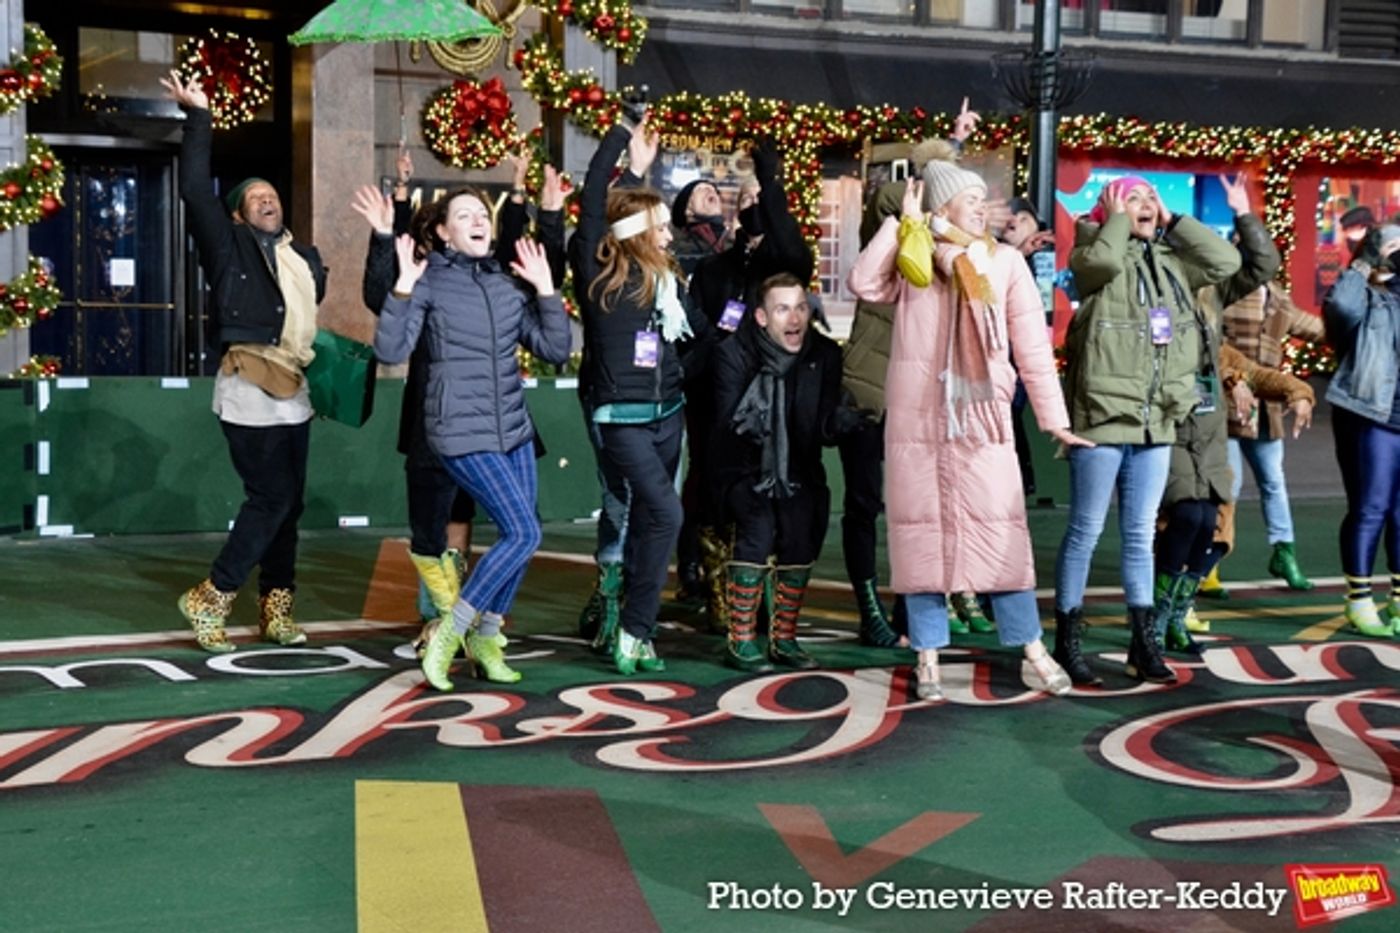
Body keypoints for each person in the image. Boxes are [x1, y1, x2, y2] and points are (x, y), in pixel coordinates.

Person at [848, 147, 1086, 701]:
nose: (984, 209)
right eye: (972, 199)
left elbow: (1031, 348)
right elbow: (863, 282)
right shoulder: (913, 256)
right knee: (921, 544)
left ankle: (1030, 646)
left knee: (1002, 535)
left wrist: (1054, 420)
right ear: (945, 204)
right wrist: (901, 221)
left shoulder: (1003, 261)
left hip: (981, 421)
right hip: (919, 423)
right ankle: (927, 658)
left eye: (985, 199)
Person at [354, 152, 566, 656]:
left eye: (482, 214)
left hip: (507, 428)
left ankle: (480, 633)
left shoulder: (503, 283)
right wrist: (388, 233)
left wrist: (546, 218)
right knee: (436, 523)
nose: (477, 221)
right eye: (463, 216)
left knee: (516, 530)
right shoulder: (426, 280)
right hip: (444, 425)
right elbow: (386, 308)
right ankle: (447, 622)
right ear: (442, 234)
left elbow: (552, 335)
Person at [162, 72, 326, 654]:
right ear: (237, 215)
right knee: (272, 497)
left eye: (273, 196)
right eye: (255, 197)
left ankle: (275, 608)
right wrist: (198, 118)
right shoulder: (226, 245)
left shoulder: (300, 258)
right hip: (248, 380)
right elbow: (192, 194)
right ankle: (212, 593)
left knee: (289, 505)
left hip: (295, 385)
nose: (268, 200)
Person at [1054, 174, 1241, 685]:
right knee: (1085, 533)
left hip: (1156, 420)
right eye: (1131, 197)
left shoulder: (1173, 264)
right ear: (1108, 208)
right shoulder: (1092, 255)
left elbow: (1228, 263)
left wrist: (1175, 221)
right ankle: (1068, 642)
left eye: (1149, 198)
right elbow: (1105, 264)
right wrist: (1114, 220)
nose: (1144, 205)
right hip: (1102, 417)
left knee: (1139, 535)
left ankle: (1144, 643)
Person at [839, 104, 984, 649]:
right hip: (870, 393)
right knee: (864, 503)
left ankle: (912, 610)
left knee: (918, 510)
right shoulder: (888, 228)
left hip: (923, 401)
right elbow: (890, 200)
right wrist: (946, 149)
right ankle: (869, 606)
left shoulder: (953, 260)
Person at [1152, 175, 1312, 665]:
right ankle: (1157, 618)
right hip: (1173, 427)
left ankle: (1179, 610)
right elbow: (1187, 361)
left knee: (1215, 530)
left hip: (1214, 428)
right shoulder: (1156, 290)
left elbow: (1262, 268)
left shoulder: (1211, 298)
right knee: (1188, 517)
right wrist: (1230, 379)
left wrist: (1297, 389)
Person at [572, 115, 711, 675]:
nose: (669, 234)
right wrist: (621, 143)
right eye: (657, 227)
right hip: (621, 418)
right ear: (633, 233)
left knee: (659, 522)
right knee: (664, 512)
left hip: (668, 414)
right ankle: (629, 625)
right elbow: (589, 206)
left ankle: (637, 634)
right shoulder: (600, 277)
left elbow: (699, 335)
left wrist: (737, 325)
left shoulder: (671, 284)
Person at [682, 141, 814, 624]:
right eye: (748, 199)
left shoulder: (780, 266)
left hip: (774, 399)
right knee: (716, 490)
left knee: (771, 500)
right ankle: (713, 582)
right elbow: (697, 327)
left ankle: (763, 598)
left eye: (761, 199)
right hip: (718, 396)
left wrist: (771, 186)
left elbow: (793, 252)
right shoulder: (717, 268)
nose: (753, 205)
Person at [711, 273, 852, 670]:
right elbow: (726, 425)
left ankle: (784, 638)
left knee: (801, 532)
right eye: (783, 309)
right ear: (760, 317)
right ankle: (740, 638)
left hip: (800, 467)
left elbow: (820, 426)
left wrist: (839, 421)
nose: (795, 319)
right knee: (756, 529)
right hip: (743, 464)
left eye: (801, 308)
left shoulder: (823, 355)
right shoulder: (734, 354)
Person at [1218, 275, 1326, 592]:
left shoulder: (1279, 298)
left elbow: (1318, 329)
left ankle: (1284, 552)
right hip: (1228, 405)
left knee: (1274, 481)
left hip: (1268, 408)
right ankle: (1209, 561)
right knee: (1228, 484)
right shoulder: (1225, 292)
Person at [1321, 224, 1400, 637]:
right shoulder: (1366, 297)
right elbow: (1340, 308)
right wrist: (1368, 259)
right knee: (1371, 508)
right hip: (1372, 416)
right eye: (1393, 245)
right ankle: (1359, 599)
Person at [670, 178, 729, 275]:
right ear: (687, 209)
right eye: (701, 189)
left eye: (715, 191)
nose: (711, 191)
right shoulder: (675, 243)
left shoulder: (734, 238)